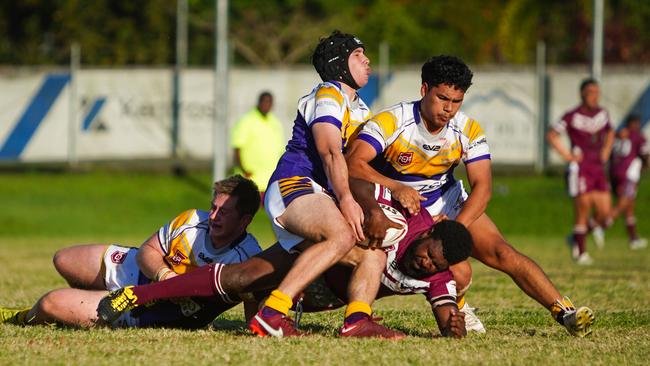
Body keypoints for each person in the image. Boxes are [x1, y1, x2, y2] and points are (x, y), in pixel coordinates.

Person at [99, 30, 402, 339]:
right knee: (339, 235)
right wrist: (348, 200)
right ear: (339, 64)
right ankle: (273, 313)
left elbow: (361, 165)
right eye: (357, 55)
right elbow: (329, 151)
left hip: (318, 198)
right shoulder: (328, 93)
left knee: (366, 255)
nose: (367, 60)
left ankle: (357, 319)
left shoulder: (363, 111)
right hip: (293, 187)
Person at [345, 55, 595, 337]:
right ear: (424, 89)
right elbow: (353, 163)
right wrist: (396, 187)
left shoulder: (468, 129)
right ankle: (457, 306)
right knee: (460, 272)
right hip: (397, 205)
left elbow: (483, 188)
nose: (449, 109)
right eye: (442, 98)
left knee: (502, 252)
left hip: (445, 201)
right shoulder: (393, 120)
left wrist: (452, 231)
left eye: (457, 101)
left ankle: (565, 313)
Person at [96, 180, 473, 339]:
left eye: (435, 265)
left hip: (319, 295)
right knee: (241, 278)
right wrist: (374, 206)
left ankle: (351, 318)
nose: (426, 264)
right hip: (315, 255)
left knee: (371, 259)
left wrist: (452, 326)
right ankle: (137, 296)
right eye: (427, 255)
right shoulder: (411, 216)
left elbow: (444, 315)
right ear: (426, 234)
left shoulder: (438, 277)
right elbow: (357, 181)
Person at [0, 175, 262, 328]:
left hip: (146, 309)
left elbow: (253, 307)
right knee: (63, 259)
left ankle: (21, 316)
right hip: (138, 273)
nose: (213, 216)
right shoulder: (192, 220)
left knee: (50, 303)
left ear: (244, 220)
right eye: (213, 207)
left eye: (223, 212)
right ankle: (85, 303)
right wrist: (164, 276)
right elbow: (148, 251)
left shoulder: (248, 256)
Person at [547, 78, 615, 264]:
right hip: (581, 168)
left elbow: (610, 132)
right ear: (583, 94)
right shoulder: (572, 116)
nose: (595, 96)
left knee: (605, 214)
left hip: (598, 168)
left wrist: (607, 151)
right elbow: (551, 134)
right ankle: (581, 252)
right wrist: (567, 155)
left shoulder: (603, 114)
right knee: (583, 211)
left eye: (597, 92)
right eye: (591, 92)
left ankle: (576, 238)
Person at [231, 91, 285, 194]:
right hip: (251, 178)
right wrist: (244, 170)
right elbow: (237, 147)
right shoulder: (246, 120)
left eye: (269, 102)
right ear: (259, 102)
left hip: (270, 180)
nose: (267, 105)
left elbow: (280, 149)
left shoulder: (275, 122)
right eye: (265, 102)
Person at [609, 114, 649, 249]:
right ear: (634, 124)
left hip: (614, 172)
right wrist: (645, 166)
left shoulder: (618, 134)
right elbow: (645, 155)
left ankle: (633, 238)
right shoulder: (638, 136)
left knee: (629, 206)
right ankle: (600, 226)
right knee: (623, 203)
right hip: (628, 174)